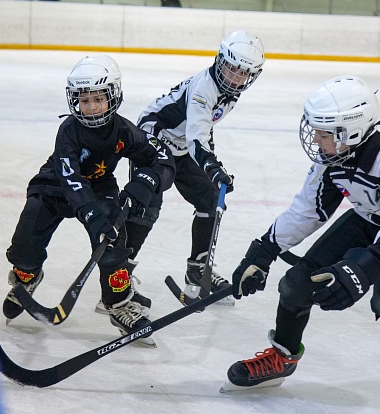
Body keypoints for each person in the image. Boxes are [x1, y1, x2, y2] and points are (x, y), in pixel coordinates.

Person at [222, 75, 380, 414]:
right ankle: (283, 356)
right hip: (371, 219)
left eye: (323, 133)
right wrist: (261, 254)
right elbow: (305, 211)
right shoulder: (335, 157)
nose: (315, 140)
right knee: (297, 282)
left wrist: (363, 268)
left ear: (351, 131)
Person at [2, 55, 175, 338]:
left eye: (98, 99)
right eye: (84, 100)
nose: (91, 107)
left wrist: (148, 180)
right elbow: (71, 180)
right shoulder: (68, 131)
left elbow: (163, 158)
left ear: (113, 97)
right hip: (55, 185)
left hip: (99, 186)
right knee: (26, 238)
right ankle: (27, 275)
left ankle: (117, 303)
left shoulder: (124, 130)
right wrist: (92, 215)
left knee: (112, 242)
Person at [96, 29, 264, 313]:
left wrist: (213, 165)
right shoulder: (205, 88)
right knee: (147, 205)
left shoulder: (229, 94)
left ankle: (198, 271)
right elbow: (196, 136)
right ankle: (117, 281)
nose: (233, 76)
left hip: (182, 148)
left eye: (241, 73)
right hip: (153, 138)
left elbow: (203, 132)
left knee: (209, 197)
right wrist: (210, 165)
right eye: (230, 67)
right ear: (220, 60)